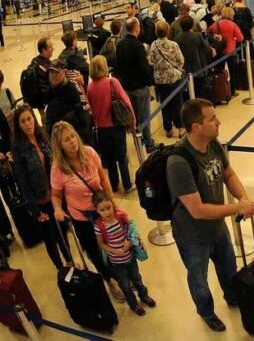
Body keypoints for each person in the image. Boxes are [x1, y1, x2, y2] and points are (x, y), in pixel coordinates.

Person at [168, 99, 254, 332]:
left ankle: (232, 296)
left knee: (229, 267)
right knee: (199, 281)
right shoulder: (179, 162)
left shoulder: (213, 143)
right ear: (196, 127)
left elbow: (228, 174)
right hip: (193, 237)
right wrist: (237, 209)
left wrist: (243, 199)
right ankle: (206, 312)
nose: (219, 122)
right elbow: (197, 210)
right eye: (212, 119)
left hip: (217, 227)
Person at [50, 121, 124, 302]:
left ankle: (120, 274)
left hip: (101, 210)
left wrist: (112, 202)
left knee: (112, 243)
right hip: (81, 217)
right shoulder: (58, 168)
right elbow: (56, 195)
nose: (72, 142)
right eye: (66, 140)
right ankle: (109, 281)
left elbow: (103, 178)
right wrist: (58, 209)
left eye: (72, 136)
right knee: (94, 250)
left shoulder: (89, 153)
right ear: (59, 145)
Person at [10, 104, 70, 269]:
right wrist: (35, 210)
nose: (28, 124)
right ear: (19, 125)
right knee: (50, 238)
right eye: (23, 121)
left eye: (29, 119)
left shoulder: (42, 136)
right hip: (40, 200)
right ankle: (61, 268)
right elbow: (22, 182)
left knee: (62, 232)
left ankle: (70, 261)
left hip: (55, 195)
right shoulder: (18, 148)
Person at [93, 191, 156, 315]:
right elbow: (101, 244)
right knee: (125, 285)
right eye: (102, 210)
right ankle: (133, 304)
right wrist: (114, 250)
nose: (107, 212)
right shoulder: (99, 226)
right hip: (117, 263)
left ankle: (144, 296)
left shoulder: (120, 216)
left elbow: (132, 230)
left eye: (108, 207)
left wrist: (130, 242)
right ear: (97, 211)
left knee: (137, 279)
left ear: (112, 204)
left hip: (130, 257)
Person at [87, 56, 136, 193]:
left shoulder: (90, 87)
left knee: (109, 159)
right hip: (116, 125)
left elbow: (91, 107)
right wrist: (132, 120)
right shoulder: (112, 82)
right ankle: (127, 184)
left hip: (101, 128)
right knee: (122, 156)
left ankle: (114, 184)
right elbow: (126, 101)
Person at [116, 17, 156, 152]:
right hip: (139, 86)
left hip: (127, 86)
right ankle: (149, 143)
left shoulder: (120, 44)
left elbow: (119, 65)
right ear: (137, 28)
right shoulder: (138, 45)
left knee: (134, 116)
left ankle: (137, 140)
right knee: (144, 115)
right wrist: (150, 81)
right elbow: (143, 67)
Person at [149, 21, 186, 138]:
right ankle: (180, 128)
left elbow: (152, 61)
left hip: (160, 80)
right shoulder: (173, 45)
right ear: (167, 31)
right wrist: (176, 69)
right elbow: (181, 60)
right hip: (174, 78)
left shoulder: (153, 45)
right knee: (177, 103)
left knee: (164, 104)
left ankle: (168, 129)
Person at [44, 60, 92, 143]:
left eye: (56, 72)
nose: (53, 75)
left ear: (64, 72)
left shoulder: (71, 88)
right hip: (58, 137)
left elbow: (81, 114)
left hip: (74, 135)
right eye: (51, 72)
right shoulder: (49, 91)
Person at [208, 7, 244, 97]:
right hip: (230, 51)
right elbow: (240, 38)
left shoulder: (216, 23)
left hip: (219, 51)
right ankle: (232, 91)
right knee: (232, 71)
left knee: (219, 71)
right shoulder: (233, 25)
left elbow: (208, 32)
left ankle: (220, 91)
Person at [175, 16, 213, 99]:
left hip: (184, 69)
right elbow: (206, 48)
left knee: (187, 93)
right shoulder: (197, 36)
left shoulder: (177, 39)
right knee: (199, 91)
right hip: (198, 68)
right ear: (192, 25)